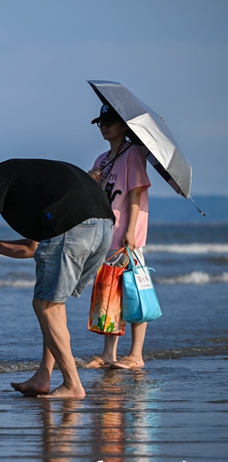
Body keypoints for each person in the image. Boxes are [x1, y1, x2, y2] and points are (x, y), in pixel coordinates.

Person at [0, 157, 114, 399]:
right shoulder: (26, 183)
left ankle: (72, 384)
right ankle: (43, 376)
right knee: (53, 303)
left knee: (45, 305)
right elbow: (31, 248)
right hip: (104, 227)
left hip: (73, 225)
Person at [84, 104, 152, 371]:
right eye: (101, 122)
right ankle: (108, 354)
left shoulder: (133, 153)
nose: (104, 126)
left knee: (133, 292)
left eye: (110, 122)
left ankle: (136, 355)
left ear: (124, 125)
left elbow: (135, 194)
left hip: (126, 236)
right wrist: (90, 179)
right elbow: (91, 196)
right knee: (109, 294)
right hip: (104, 234)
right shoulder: (102, 159)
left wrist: (130, 231)